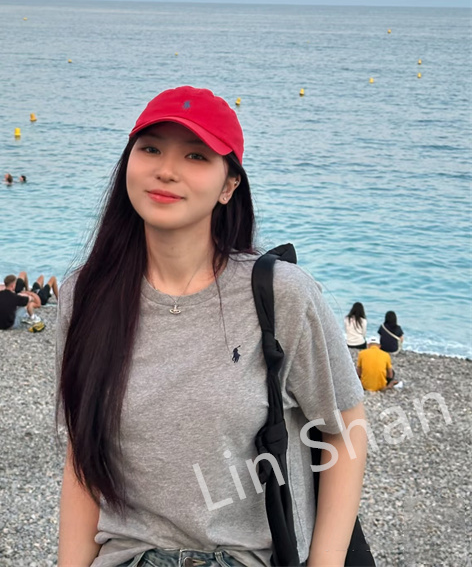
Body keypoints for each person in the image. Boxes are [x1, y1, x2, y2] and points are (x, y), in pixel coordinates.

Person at [56, 86, 367, 567]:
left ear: (229, 186)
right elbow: (83, 459)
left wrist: (325, 561)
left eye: (196, 156)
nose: (166, 170)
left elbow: (344, 429)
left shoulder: (281, 294)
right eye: (151, 148)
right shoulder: (86, 294)